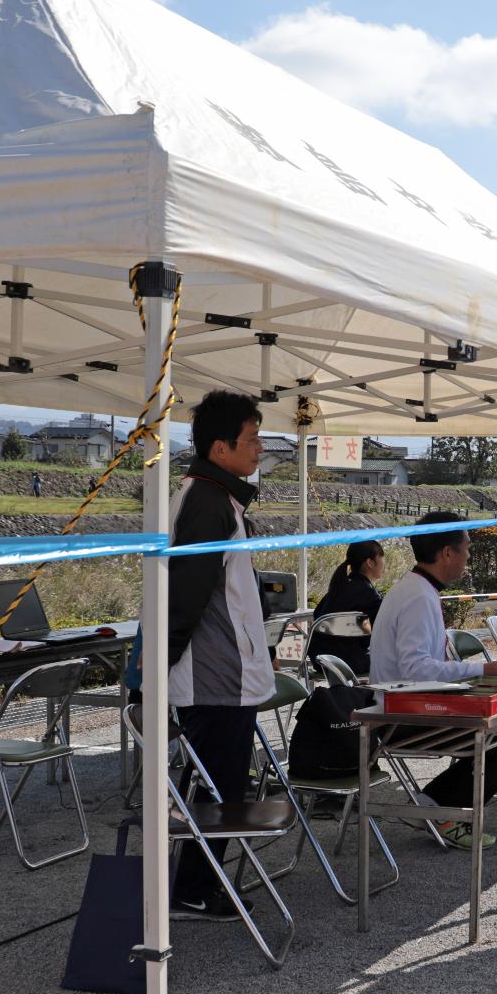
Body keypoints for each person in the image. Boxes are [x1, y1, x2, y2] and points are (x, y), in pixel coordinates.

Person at [166, 390, 278, 920]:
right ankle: (194, 887)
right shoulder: (207, 501)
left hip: (227, 674)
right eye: (252, 440)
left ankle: (198, 884)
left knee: (224, 784)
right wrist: (158, 672)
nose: (259, 450)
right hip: (214, 678)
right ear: (220, 447)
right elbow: (183, 596)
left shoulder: (218, 496)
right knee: (216, 786)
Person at [372, 511, 497, 849]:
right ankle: (441, 813)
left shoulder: (417, 588)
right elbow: (416, 669)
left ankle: (432, 807)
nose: (468, 558)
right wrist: (480, 671)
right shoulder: (418, 596)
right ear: (446, 553)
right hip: (402, 715)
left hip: (409, 703)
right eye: (466, 549)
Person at [308, 539, 384, 677]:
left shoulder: (336, 589)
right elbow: (378, 634)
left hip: (320, 661)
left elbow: (317, 615)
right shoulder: (370, 596)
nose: (384, 564)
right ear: (370, 562)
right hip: (351, 663)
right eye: (381, 558)